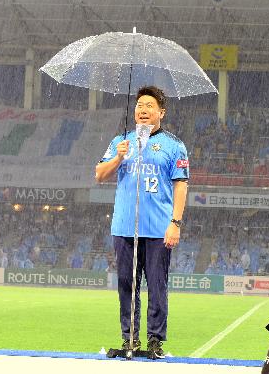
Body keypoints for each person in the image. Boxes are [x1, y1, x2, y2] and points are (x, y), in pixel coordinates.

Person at [96, 86, 188, 357]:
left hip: (158, 228)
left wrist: (176, 222)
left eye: (149, 105)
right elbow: (100, 174)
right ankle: (130, 339)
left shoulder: (174, 145)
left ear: (161, 112)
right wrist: (118, 157)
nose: (143, 110)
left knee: (157, 285)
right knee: (126, 284)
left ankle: (155, 341)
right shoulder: (119, 142)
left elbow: (181, 185)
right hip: (124, 227)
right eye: (139, 105)